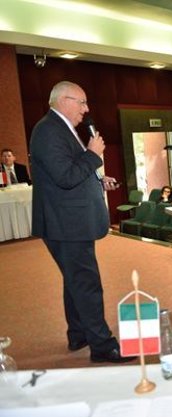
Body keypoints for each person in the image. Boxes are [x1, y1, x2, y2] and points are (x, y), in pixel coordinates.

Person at [29, 81, 133, 363]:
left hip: (68, 220)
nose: (87, 110)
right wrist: (92, 154)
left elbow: (71, 172)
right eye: (82, 102)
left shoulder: (60, 129)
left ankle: (78, 334)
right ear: (64, 100)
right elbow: (65, 177)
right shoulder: (49, 131)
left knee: (74, 280)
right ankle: (102, 345)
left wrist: (99, 179)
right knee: (87, 282)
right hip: (66, 223)